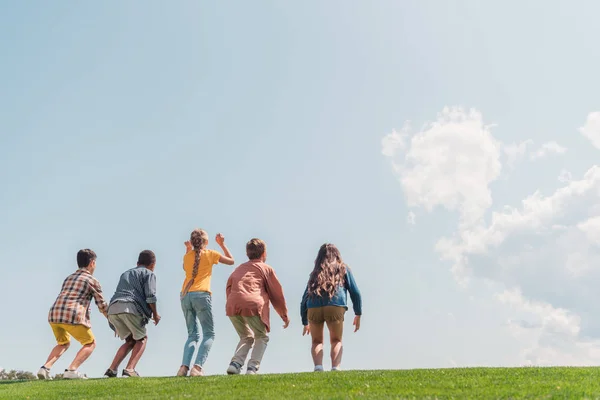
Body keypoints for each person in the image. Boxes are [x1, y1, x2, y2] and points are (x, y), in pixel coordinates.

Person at [37, 249, 108, 380]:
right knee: (90, 343)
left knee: (63, 343)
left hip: (54, 314)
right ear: (92, 263)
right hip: (72, 315)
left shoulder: (68, 278)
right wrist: (113, 321)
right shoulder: (92, 280)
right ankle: (72, 370)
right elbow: (102, 305)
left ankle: (45, 368)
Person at [225, 238, 289, 375]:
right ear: (264, 253)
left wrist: (232, 305)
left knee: (246, 336)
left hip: (232, 304)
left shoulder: (239, 268)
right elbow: (277, 294)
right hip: (252, 304)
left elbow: (229, 286)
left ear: (248, 253)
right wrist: (284, 314)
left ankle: (235, 364)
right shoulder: (266, 268)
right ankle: (252, 368)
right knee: (261, 336)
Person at [177, 229, 235, 377]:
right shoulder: (210, 254)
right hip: (201, 295)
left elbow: (186, 267)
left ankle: (183, 368)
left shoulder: (187, 257)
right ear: (206, 242)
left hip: (185, 296)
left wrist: (187, 249)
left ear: (192, 241)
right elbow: (231, 261)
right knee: (209, 334)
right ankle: (197, 368)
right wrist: (222, 244)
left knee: (192, 335)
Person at [300, 243, 362, 372]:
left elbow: (304, 298)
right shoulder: (343, 268)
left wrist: (304, 321)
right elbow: (355, 292)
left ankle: (318, 367)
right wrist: (358, 313)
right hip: (335, 304)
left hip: (313, 306)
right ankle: (335, 367)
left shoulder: (315, 272)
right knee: (336, 340)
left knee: (316, 341)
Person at [104, 250, 160, 378]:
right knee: (142, 339)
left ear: (137, 262)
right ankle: (130, 369)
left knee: (130, 341)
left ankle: (112, 370)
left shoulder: (126, 273)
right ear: (153, 264)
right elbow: (150, 296)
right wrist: (155, 315)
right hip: (130, 307)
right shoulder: (149, 273)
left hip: (113, 309)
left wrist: (113, 324)